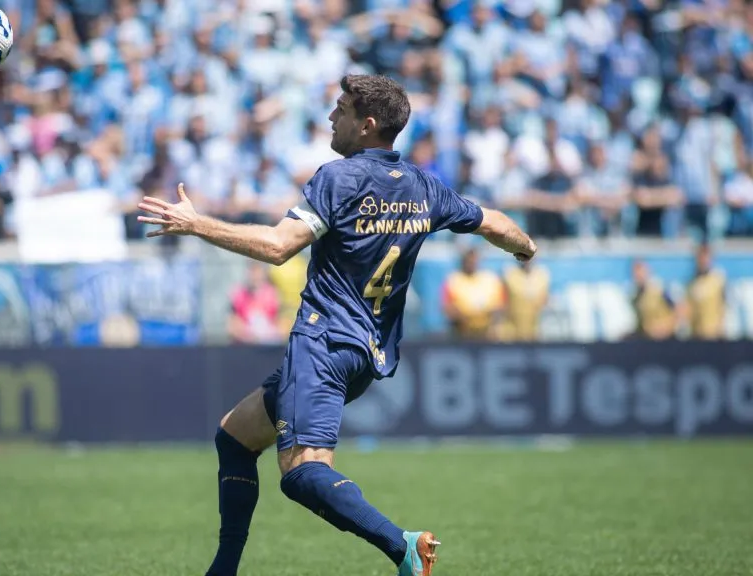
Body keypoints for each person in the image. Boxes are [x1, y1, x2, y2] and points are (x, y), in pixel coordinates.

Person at [136, 74, 537, 576]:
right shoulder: (422, 186)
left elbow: (278, 247)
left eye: (341, 110)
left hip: (323, 342)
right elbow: (494, 221)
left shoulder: (337, 178)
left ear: (366, 126)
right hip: (365, 353)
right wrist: (525, 246)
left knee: (303, 472)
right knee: (235, 437)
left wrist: (198, 225)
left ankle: (404, 547)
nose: (331, 117)